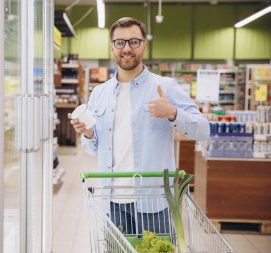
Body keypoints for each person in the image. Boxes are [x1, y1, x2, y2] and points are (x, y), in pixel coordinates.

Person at [69, 17, 210, 236]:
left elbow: (203, 129)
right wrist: (87, 134)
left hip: (153, 202)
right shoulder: (99, 94)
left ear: (144, 45)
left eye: (134, 42)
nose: (127, 48)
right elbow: (92, 148)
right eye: (120, 42)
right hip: (113, 202)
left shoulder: (164, 86)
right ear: (112, 47)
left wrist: (173, 113)